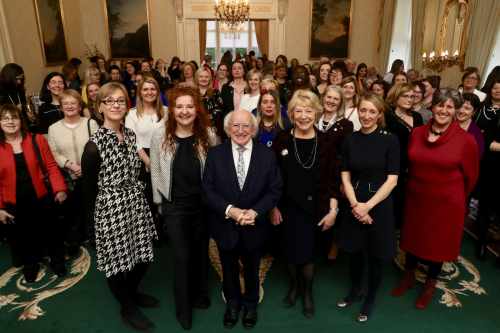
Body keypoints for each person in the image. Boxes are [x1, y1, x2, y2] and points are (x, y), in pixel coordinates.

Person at [393, 88, 479, 309]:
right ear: (432, 107)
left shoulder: (466, 140)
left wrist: (456, 199)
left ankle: (430, 283)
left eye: (449, 106)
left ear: (456, 111)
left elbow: (471, 177)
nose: (443, 110)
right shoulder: (417, 132)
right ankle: (409, 276)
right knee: (413, 239)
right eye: (440, 105)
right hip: (416, 198)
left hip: (446, 203)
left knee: (437, 244)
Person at [82, 82, 158, 331]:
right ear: (100, 106)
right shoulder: (93, 146)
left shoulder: (131, 135)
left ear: (127, 106)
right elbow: (89, 190)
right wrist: (96, 223)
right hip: (110, 207)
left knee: (143, 255)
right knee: (117, 262)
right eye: (109, 101)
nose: (115, 105)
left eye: (120, 101)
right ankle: (127, 307)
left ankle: (131, 292)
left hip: (135, 202)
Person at [202, 109, 282, 329]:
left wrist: (255, 212)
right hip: (225, 224)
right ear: (227, 129)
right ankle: (233, 304)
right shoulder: (215, 154)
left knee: (251, 268)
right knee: (228, 269)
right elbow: (208, 190)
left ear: (253, 129)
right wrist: (231, 210)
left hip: (255, 225)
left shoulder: (266, 155)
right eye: (235, 126)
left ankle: (251, 305)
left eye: (246, 126)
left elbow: (274, 190)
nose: (240, 130)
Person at [150, 87, 217, 330]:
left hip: (202, 205)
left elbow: (215, 171)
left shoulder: (208, 135)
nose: (184, 111)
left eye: (189, 106)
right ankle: (183, 306)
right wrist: (160, 203)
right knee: (181, 256)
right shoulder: (160, 136)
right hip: (174, 206)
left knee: (200, 252)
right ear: (172, 110)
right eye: (179, 107)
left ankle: (200, 294)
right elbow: (155, 169)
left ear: (196, 109)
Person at [271, 89, 340, 318]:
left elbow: (333, 179)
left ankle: (307, 292)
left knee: (309, 255)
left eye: (308, 111)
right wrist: (273, 207)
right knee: (290, 253)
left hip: (316, 210)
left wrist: (333, 210)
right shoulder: (282, 138)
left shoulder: (327, 141)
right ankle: (294, 287)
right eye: (298, 111)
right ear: (291, 113)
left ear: (317, 113)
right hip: (287, 209)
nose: (303, 116)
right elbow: (272, 177)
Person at [337, 93, 400, 322]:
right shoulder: (350, 139)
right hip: (354, 200)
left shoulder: (390, 140)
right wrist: (355, 205)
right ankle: (355, 290)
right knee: (354, 252)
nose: (366, 115)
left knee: (376, 255)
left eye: (372, 111)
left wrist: (368, 207)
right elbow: (345, 176)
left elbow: (392, 180)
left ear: (380, 115)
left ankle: (370, 297)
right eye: (363, 110)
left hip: (379, 203)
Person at [0, 104, 68, 281]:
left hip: (41, 195)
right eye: (5, 118)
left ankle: (57, 260)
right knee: (24, 236)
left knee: (51, 231)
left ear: (20, 120)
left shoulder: (36, 139)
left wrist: (59, 188)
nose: (10, 121)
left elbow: (52, 166)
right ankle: (31, 264)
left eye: (14, 117)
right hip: (14, 201)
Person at [48, 89, 99, 252]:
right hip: (69, 176)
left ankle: (95, 237)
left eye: (73, 103)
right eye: (66, 103)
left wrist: (85, 168)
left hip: (91, 174)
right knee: (74, 210)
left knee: (93, 207)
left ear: (79, 105)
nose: (69, 106)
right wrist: (70, 164)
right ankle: (76, 238)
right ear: (61, 107)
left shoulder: (91, 123)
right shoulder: (53, 128)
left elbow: (99, 148)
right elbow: (54, 152)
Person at [385, 83, 423, 226]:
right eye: (405, 96)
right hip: (394, 166)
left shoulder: (417, 116)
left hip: (414, 166)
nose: (409, 99)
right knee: (394, 203)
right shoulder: (388, 116)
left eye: (412, 97)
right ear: (396, 97)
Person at [474, 79, 500, 260]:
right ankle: (481, 243)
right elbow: (488, 142)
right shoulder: (482, 108)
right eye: (495, 88)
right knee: (484, 206)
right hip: (487, 164)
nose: (498, 91)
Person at [195, 67, 224, 139]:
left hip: (213, 130)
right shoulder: (192, 93)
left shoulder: (215, 92)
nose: (203, 79)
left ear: (210, 79)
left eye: (206, 77)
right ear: (197, 78)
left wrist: (206, 118)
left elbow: (220, 110)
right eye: (201, 76)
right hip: (195, 129)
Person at [458, 93, 484, 158]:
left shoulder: (476, 134)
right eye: (459, 106)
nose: (461, 110)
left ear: (474, 112)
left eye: (467, 108)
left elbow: (474, 159)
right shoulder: (445, 122)